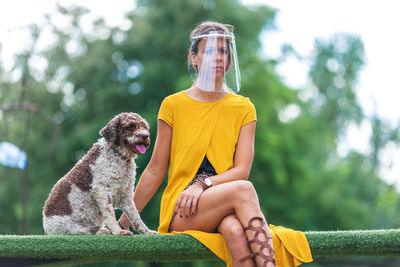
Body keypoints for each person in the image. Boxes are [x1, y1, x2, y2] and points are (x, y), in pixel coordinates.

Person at [119, 21, 313, 267]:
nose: (218, 57)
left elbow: (241, 170)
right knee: (245, 189)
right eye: (210, 51)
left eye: (223, 51)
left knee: (234, 231)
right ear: (194, 57)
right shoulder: (173, 105)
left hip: (223, 206)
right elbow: (156, 170)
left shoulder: (244, 108)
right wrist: (122, 223)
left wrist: (202, 184)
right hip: (182, 209)